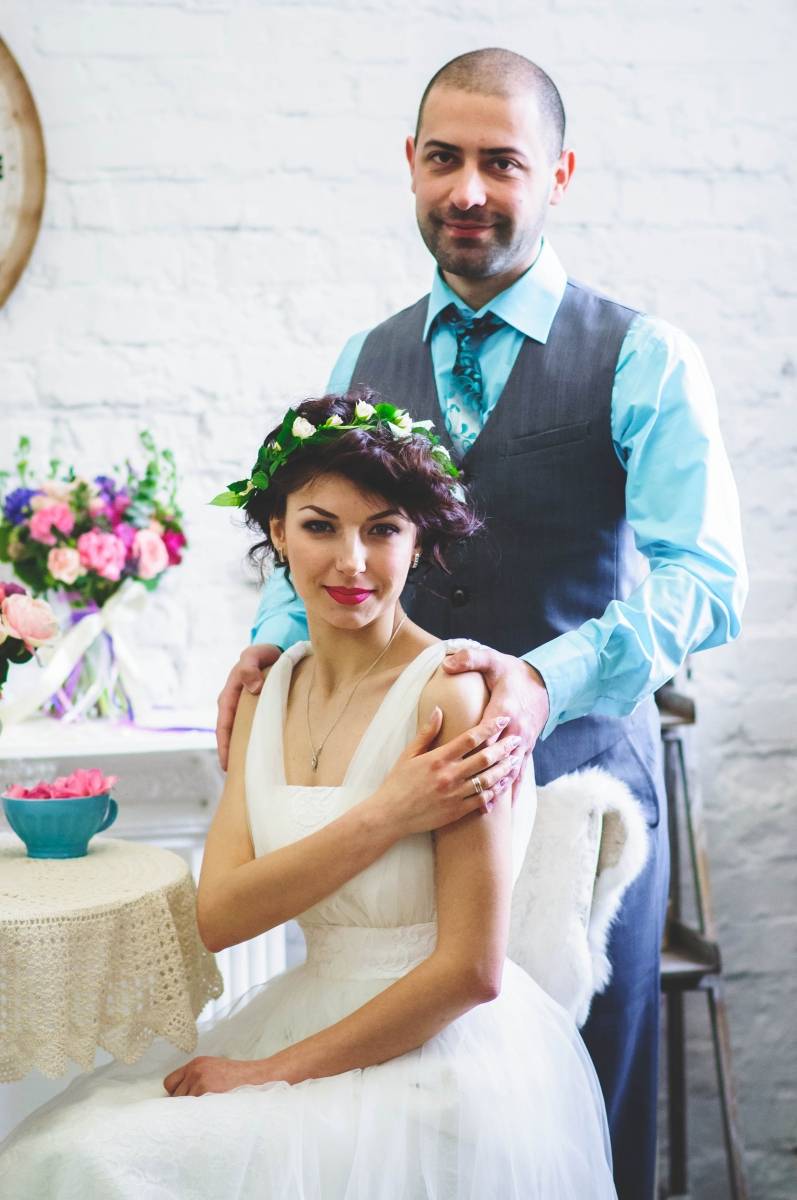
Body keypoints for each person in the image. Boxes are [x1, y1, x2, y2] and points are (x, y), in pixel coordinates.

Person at [216, 49, 747, 1200]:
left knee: (579, 1126)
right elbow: (318, 530)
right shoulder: (364, 357)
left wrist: (543, 680)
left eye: (500, 163)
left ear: (556, 174)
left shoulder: (641, 355)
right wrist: (269, 637)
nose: (467, 190)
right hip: (395, 814)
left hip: (574, 803)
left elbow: (703, 578)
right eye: (444, 159)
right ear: (409, 165)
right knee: (396, 1135)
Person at [0, 394, 619, 1198]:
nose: (352, 562)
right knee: (51, 1146)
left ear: (418, 543)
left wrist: (267, 1074)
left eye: (383, 530)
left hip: (434, 1054)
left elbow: (470, 973)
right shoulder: (264, 690)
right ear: (278, 533)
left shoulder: (455, 694)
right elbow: (221, 916)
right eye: (321, 526)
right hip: (308, 1009)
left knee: (98, 1162)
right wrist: (386, 815)